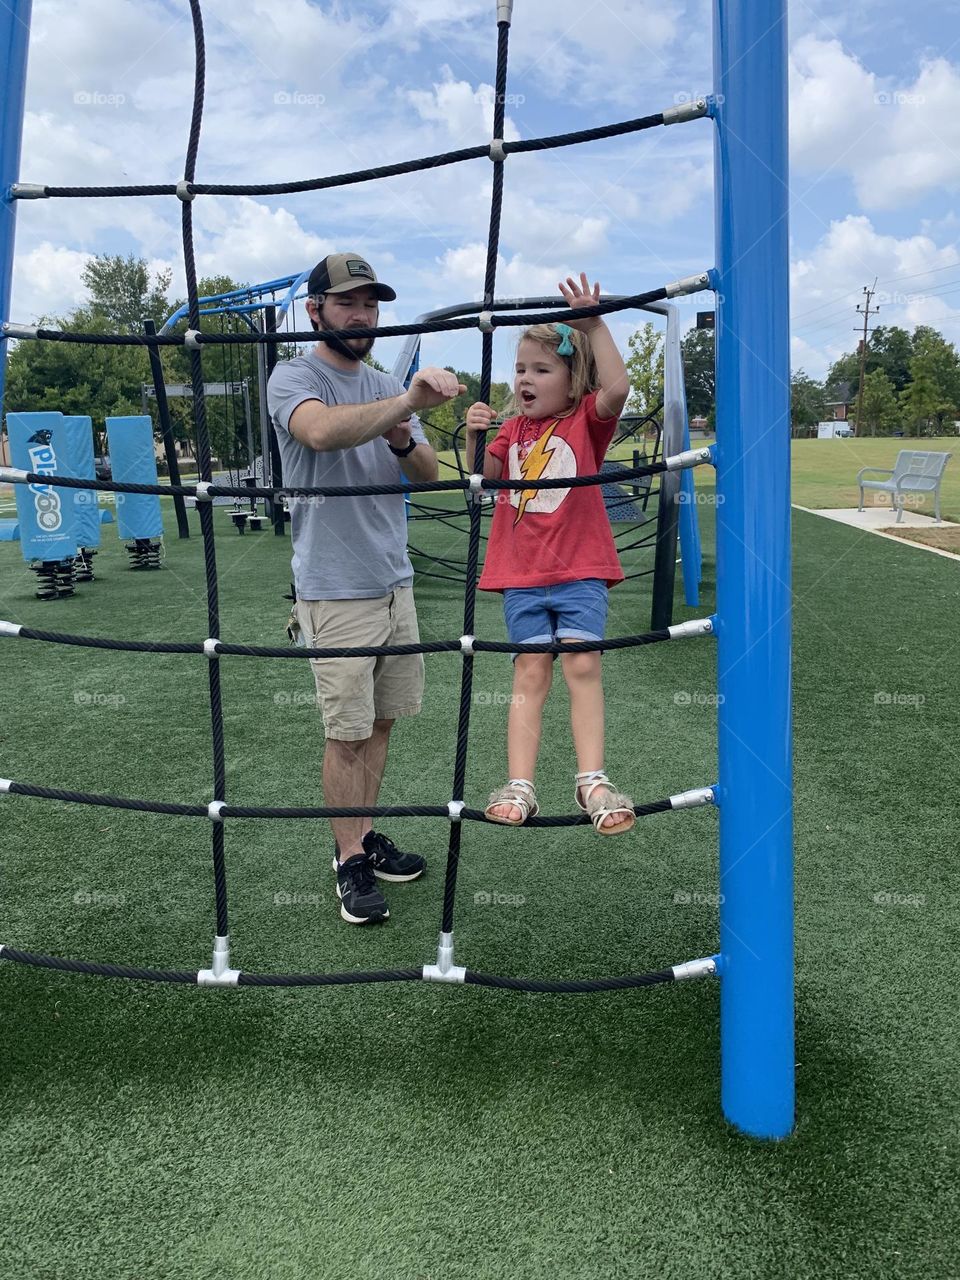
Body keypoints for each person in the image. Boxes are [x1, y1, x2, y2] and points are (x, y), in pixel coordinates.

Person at [267, 253, 465, 924]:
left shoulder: (383, 381)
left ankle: (363, 834)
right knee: (346, 733)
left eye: (372, 304)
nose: (363, 315)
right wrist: (406, 401)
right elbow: (320, 432)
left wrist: (407, 435)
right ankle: (347, 860)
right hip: (334, 588)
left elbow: (429, 476)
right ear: (315, 309)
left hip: (393, 581)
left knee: (381, 723)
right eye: (349, 302)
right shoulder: (294, 375)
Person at [465, 272, 635, 836]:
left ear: (570, 378)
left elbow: (620, 388)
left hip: (580, 569)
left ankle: (592, 780)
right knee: (529, 670)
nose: (526, 380)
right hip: (522, 574)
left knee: (583, 664)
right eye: (520, 369)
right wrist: (473, 435)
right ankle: (521, 784)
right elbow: (485, 480)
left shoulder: (585, 421)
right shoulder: (510, 430)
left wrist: (594, 326)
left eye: (542, 369)